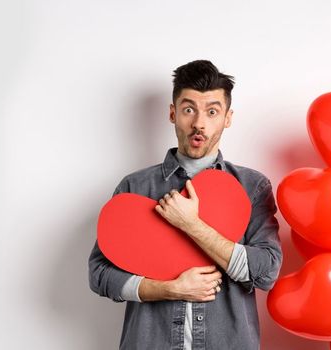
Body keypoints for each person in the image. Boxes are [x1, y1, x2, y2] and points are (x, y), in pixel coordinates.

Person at [88, 60, 283, 350]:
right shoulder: (135, 188)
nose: (199, 124)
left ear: (227, 118)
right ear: (173, 113)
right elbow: (99, 274)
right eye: (189, 109)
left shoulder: (252, 187)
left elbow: (266, 271)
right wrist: (167, 289)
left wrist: (191, 224)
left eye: (212, 111)